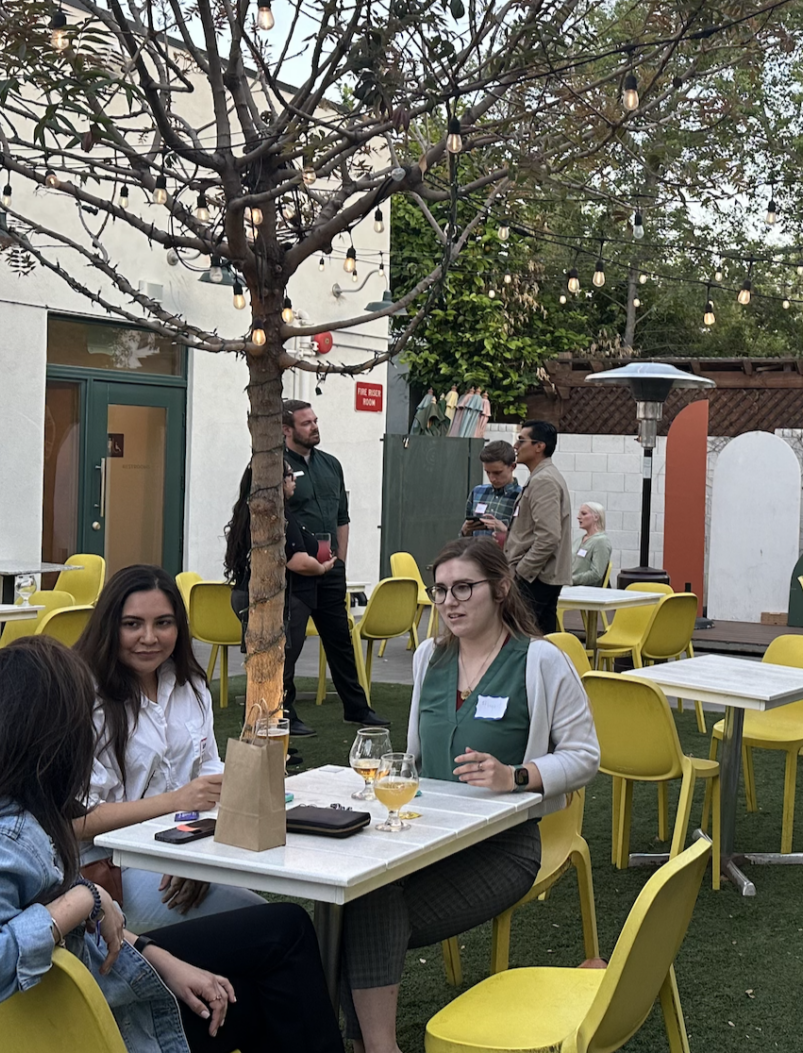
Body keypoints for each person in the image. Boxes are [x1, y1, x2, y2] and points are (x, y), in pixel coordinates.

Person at [0, 635, 343, 1053]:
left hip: (51, 1014)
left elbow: (53, 924)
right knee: (281, 947)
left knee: (262, 966)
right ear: (50, 738)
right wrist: (83, 898)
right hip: (68, 1032)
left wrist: (160, 960)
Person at [342, 538, 598, 1052]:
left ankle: (373, 1045)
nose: (449, 602)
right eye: (440, 591)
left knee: (366, 912)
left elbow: (585, 755)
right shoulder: (428, 659)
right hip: (424, 839)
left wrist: (517, 776)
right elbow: (414, 759)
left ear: (500, 588)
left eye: (463, 588)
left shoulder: (540, 660)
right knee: (350, 898)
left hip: (503, 847)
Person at [72, 564, 268, 932]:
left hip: (182, 847)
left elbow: (209, 772)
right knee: (265, 923)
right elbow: (78, 821)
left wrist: (198, 856)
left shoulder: (189, 685)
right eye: (132, 624)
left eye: (163, 623)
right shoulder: (84, 698)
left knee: (266, 921)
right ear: (109, 626)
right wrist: (175, 801)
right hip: (106, 871)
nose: (149, 637)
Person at [282, 398, 388, 727]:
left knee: (340, 640)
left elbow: (342, 516)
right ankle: (284, 713)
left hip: (330, 569)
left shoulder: (331, 464)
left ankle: (357, 708)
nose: (314, 427)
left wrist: (340, 560)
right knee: (289, 644)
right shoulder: (274, 465)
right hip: (295, 571)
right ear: (286, 430)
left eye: (315, 421)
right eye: (306, 423)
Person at [225, 464, 335, 737]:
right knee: (279, 662)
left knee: (266, 661)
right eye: (289, 475)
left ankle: (268, 720)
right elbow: (296, 561)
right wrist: (322, 568)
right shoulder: (278, 517)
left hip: (248, 593)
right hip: (285, 598)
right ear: (276, 482)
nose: (294, 480)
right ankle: (277, 720)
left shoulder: (248, 512)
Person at [502, 419, 572, 634]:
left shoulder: (544, 481)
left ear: (539, 446)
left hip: (536, 578)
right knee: (541, 638)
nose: (515, 446)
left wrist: (522, 572)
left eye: (521, 440)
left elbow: (549, 536)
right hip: (539, 576)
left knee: (521, 638)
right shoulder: (541, 477)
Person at [462, 440, 522, 542]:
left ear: (512, 466)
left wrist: (504, 531)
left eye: (497, 473)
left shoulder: (522, 496)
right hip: (476, 550)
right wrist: (465, 530)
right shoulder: (477, 492)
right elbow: (464, 537)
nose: (492, 478)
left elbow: (527, 539)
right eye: (488, 472)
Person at [571, 501, 613, 587]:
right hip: (570, 587)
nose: (578, 517)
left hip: (585, 590)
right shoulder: (578, 540)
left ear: (596, 517)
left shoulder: (601, 541)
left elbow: (596, 574)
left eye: (584, 514)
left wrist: (572, 580)